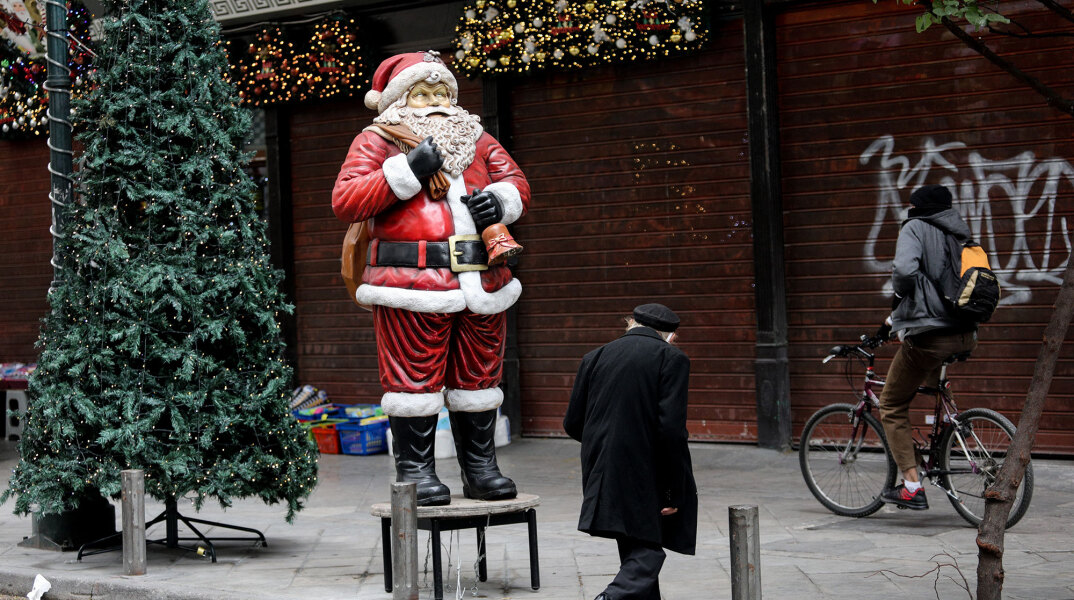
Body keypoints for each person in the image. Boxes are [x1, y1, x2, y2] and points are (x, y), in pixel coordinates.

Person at [332, 50, 530, 506]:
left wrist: (500, 201)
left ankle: (481, 469)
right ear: (400, 101)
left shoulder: (477, 138)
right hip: (411, 281)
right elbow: (347, 200)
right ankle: (417, 471)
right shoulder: (376, 139)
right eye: (422, 93)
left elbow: (516, 180)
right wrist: (406, 170)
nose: (436, 102)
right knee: (413, 381)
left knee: (478, 378)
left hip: (482, 280)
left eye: (443, 92)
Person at [563, 304, 698, 600]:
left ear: (630, 323)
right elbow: (671, 430)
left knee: (635, 544)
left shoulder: (595, 356)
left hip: (601, 464)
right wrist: (676, 490)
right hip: (645, 466)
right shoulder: (671, 358)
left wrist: (604, 443)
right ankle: (609, 598)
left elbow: (573, 423)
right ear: (671, 336)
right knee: (647, 551)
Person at [878, 184, 978, 510]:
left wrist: (900, 299)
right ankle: (954, 430)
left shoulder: (915, 227)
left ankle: (910, 486)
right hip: (965, 332)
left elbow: (905, 271)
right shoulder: (960, 233)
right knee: (932, 387)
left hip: (930, 335)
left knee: (891, 404)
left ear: (917, 206)